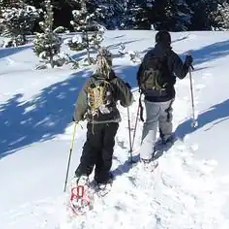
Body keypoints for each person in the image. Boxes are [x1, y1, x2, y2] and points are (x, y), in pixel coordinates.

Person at [72, 48, 133, 189]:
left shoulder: (90, 81)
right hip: (111, 121)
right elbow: (128, 101)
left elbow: (81, 102)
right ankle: (102, 177)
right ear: (110, 62)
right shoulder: (115, 80)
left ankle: (82, 173)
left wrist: (77, 117)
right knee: (107, 148)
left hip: (94, 121)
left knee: (91, 146)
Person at [136, 30, 193, 164]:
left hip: (149, 96)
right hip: (166, 94)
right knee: (166, 114)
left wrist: (144, 89)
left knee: (150, 123)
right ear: (169, 41)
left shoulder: (148, 55)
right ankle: (166, 137)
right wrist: (187, 62)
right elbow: (181, 74)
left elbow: (139, 75)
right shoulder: (171, 55)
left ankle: (145, 155)